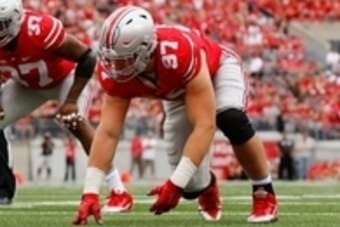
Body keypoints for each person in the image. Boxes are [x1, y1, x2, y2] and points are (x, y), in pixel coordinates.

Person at [73, 6, 278, 225]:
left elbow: (205, 125)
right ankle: (206, 185)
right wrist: (90, 191)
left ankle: (263, 192)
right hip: (179, 93)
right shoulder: (116, 71)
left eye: (123, 59)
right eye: (111, 58)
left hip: (215, 70)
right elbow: (108, 132)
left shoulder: (177, 51)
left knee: (230, 118)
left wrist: (174, 184)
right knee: (191, 188)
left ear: (146, 49)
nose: (113, 67)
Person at [0, 0, 132, 211]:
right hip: (26, 85)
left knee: (75, 122)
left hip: (64, 79)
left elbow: (87, 57)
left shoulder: (39, 29)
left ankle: (118, 190)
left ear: (16, 19)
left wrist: (70, 101)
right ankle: (3, 191)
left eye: (2, 24)